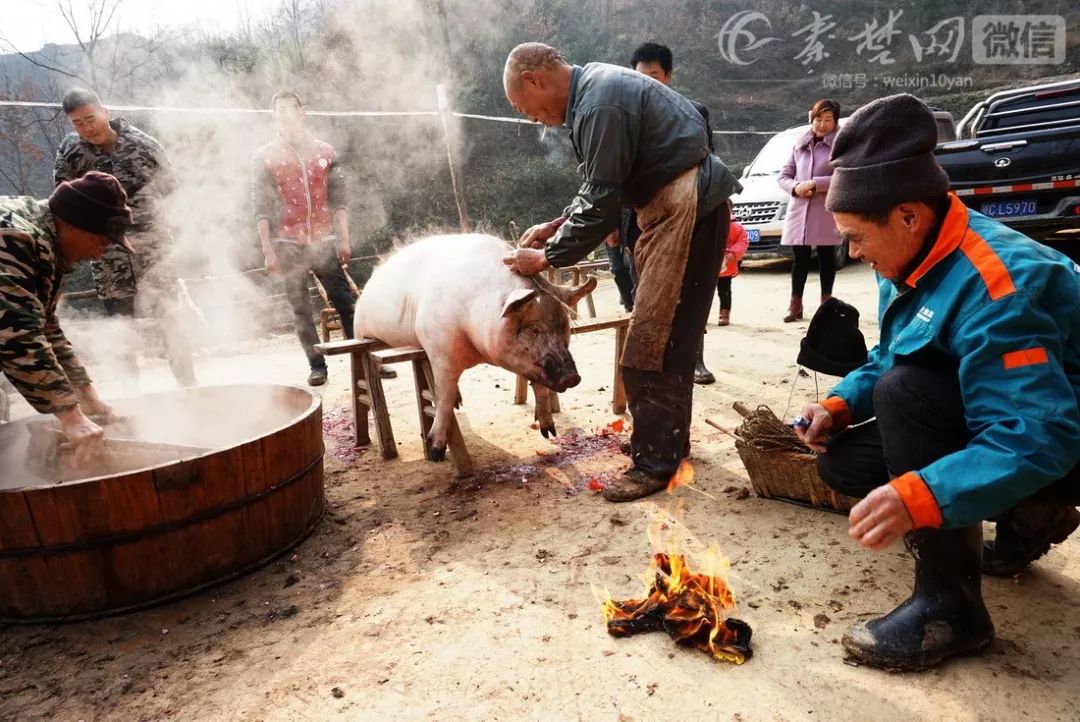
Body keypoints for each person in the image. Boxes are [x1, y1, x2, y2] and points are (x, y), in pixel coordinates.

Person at [795, 94, 1080, 672]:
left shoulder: (999, 287)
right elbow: (897, 352)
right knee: (845, 462)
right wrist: (839, 404)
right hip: (1002, 409)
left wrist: (919, 495)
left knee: (906, 394)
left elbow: (1038, 435)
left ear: (907, 216)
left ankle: (952, 609)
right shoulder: (909, 254)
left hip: (1059, 433)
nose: (851, 252)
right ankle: (1028, 517)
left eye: (855, 236)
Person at [501, 43, 741, 502]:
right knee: (662, 338)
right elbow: (599, 187)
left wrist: (547, 255)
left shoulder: (600, 101)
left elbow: (600, 203)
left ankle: (656, 463)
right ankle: (665, 446)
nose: (529, 117)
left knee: (655, 341)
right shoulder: (595, 95)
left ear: (534, 79)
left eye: (521, 106)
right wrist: (555, 226)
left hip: (688, 210)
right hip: (672, 210)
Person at [55, 87, 197, 388]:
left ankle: (189, 387)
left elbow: (172, 188)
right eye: (77, 123)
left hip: (152, 246)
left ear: (104, 110)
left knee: (171, 320)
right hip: (106, 253)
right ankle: (131, 397)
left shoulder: (143, 144)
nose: (86, 128)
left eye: (90, 118)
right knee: (118, 327)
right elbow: (62, 199)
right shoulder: (71, 152)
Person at [251, 90, 393, 386]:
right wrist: (268, 251)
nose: (287, 114)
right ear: (273, 116)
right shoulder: (264, 157)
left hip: (323, 240)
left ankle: (366, 360)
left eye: (292, 108)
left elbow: (338, 200)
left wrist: (343, 238)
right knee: (301, 307)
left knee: (345, 302)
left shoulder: (326, 152)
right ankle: (317, 365)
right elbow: (261, 209)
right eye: (280, 110)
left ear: (302, 111)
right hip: (287, 243)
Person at [0, 172, 135, 466]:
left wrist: (86, 396)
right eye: (100, 240)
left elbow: (45, 328)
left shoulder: (45, 243)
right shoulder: (12, 236)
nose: (99, 255)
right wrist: (72, 418)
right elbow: (14, 333)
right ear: (74, 222)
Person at [629, 41, 718, 384]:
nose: (648, 82)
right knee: (645, 293)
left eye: (654, 75)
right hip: (640, 219)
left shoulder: (693, 111)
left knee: (690, 289)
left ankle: (694, 358)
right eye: (641, 76)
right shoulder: (626, 115)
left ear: (667, 76)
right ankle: (654, 358)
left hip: (684, 213)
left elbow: (707, 164)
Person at [777, 99, 842, 323]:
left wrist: (816, 184)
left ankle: (827, 305)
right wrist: (795, 187)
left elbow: (844, 175)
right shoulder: (800, 143)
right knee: (800, 259)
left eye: (827, 120)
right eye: (818, 119)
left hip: (825, 209)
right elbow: (784, 175)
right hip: (800, 209)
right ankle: (795, 305)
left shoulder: (841, 144)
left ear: (835, 122)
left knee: (826, 258)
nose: (822, 125)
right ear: (810, 119)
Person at [716, 205, 749, 326]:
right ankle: (701, 316)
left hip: (726, 265)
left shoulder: (736, 226)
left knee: (724, 290)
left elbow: (743, 241)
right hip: (708, 266)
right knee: (703, 291)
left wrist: (734, 253)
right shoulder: (708, 226)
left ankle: (724, 314)